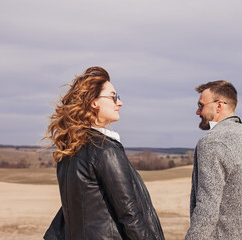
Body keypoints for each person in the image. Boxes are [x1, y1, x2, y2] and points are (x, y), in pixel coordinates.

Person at [43, 66, 165, 240]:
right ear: (94, 102)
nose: (119, 102)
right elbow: (129, 214)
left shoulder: (69, 150)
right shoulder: (105, 150)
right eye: (113, 96)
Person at [185, 80, 242, 240]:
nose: (197, 112)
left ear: (219, 105)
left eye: (200, 106)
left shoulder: (211, 142)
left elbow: (207, 210)